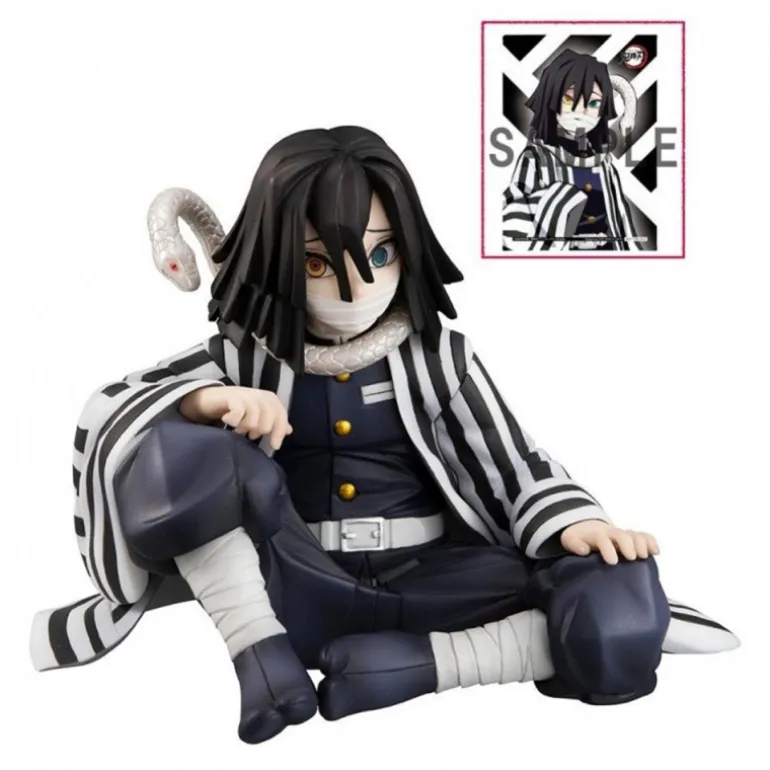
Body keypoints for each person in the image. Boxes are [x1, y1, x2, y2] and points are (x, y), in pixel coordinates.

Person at [31, 126, 737, 745]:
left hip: (435, 580)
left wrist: (576, 522)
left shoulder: (440, 359)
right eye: (316, 263)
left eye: (380, 253)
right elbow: (113, 413)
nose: (353, 287)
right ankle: (259, 654)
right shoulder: (240, 358)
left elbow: (511, 466)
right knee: (175, 445)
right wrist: (203, 402)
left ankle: (418, 668)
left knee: (619, 594)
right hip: (286, 583)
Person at [503, 50, 639, 252]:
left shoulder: (604, 164)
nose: (581, 113)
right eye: (568, 100)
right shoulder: (535, 158)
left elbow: (620, 218)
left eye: (593, 103)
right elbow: (512, 216)